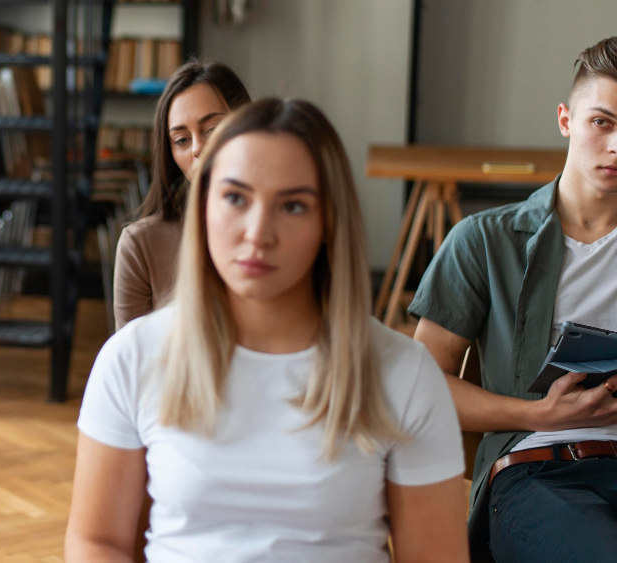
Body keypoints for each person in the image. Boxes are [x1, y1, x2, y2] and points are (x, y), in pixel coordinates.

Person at [67, 98, 469, 563]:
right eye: (236, 197)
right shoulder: (132, 357)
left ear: (328, 224)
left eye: (292, 205)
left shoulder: (405, 374)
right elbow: (98, 543)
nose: (258, 233)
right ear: (202, 206)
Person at [410, 36, 617, 562]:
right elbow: (422, 385)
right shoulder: (484, 240)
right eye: (603, 122)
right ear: (566, 119)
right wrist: (537, 414)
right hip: (539, 472)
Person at [113, 60, 250, 329]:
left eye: (211, 129)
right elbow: (131, 361)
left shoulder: (275, 229)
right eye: (182, 140)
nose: (197, 148)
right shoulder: (141, 244)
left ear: (247, 124)